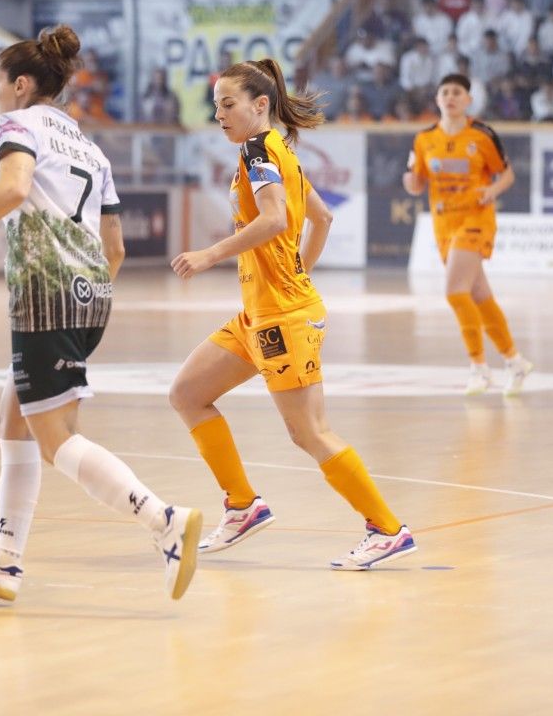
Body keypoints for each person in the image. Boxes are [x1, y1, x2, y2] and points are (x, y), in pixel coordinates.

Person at [0, 25, 200, 602]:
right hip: (89, 295)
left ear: (22, 86)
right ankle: (3, 562)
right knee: (13, 422)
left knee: (56, 441)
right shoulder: (90, 147)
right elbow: (115, 247)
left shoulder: (16, 124)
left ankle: (163, 521)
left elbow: (14, 189)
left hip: (45, 294)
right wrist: (85, 291)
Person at [168, 58, 417, 571]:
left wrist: (211, 254)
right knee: (188, 394)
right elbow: (321, 217)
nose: (219, 114)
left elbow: (276, 217)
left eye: (228, 103)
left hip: (282, 317)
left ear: (260, 105)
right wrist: (297, 269)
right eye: (215, 105)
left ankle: (387, 530)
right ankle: (242, 505)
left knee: (310, 432)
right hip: (261, 313)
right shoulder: (282, 151)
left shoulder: (260, 148)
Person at [403, 74, 533, 396]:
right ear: (437, 99)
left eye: (457, 92)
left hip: (475, 217)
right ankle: (514, 360)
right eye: (444, 91)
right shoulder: (423, 139)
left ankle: (478, 367)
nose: (450, 97)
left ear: (468, 100)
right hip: (443, 223)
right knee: (479, 295)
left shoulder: (482, 134)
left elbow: (508, 174)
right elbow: (417, 181)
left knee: (454, 290)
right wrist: (411, 183)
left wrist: (492, 189)